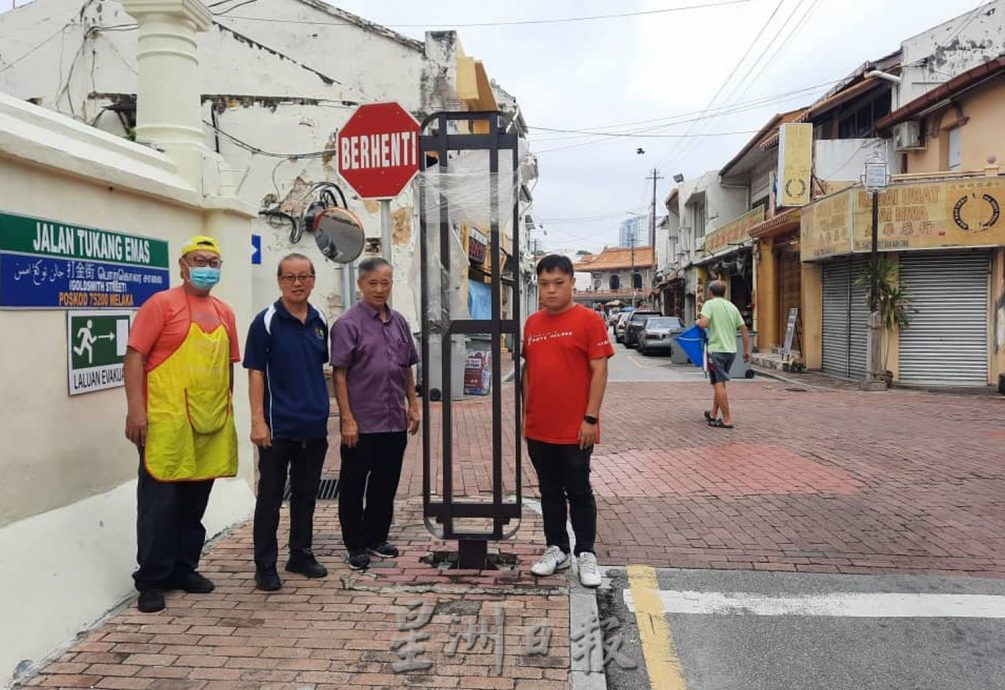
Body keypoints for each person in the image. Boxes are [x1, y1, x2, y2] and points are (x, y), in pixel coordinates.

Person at [123, 235, 240, 613]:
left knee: (194, 503)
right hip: (166, 423)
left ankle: (184, 568)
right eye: (199, 260)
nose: (207, 267)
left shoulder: (225, 313)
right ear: (183, 266)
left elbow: (226, 367)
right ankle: (152, 579)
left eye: (213, 261)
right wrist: (136, 411)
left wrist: (226, 412)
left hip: (208, 423)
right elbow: (135, 358)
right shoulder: (161, 304)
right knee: (160, 505)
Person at [523, 254, 614, 588]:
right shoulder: (532, 323)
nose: (550, 291)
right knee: (549, 491)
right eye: (545, 284)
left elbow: (600, 369)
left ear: (573, 283)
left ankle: (586, 553)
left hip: (577, 428)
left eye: (558, 284)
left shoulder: (589, 320)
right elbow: (528, 372)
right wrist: (526, 415)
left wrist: (590, 418)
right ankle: (557, 549)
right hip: (539, 427)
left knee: (578, 490)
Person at [244, 253, 330, 592]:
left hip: (313, 425)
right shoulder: (265, 321)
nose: (298, 283)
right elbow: (255, 373)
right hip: (277, 428)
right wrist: (257, 421)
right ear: (280, 281)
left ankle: (301, 554)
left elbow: (320, 367)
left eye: (304, 276)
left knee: (306, 495)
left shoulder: (320, 319)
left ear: (312, 280)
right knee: (270, 497)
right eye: (290, 277)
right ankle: (265, 565)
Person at [331, 257, 420, 571]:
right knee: (354, 485)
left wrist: (414, 404)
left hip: (393, 419)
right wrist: (347, 419)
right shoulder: (347, 324)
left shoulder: (398, 322)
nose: (380, 289)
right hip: (361, 422)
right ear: (361, 285)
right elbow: (339, 374)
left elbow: (407, 366)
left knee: (386, 483)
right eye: (373, 283)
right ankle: (355, 545)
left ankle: (376, 537)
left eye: (386, 282)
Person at [696, 280, 751, 429]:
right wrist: (746, 351)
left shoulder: (710, 304)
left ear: (710, 292)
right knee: (720, 383)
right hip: (730, 351)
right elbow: (744, 329)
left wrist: (698, 322)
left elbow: (704, 323)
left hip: (716, 351)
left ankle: (727, 419)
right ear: (724, 292)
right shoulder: (732, 306)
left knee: (718, 383)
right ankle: (713, 413)